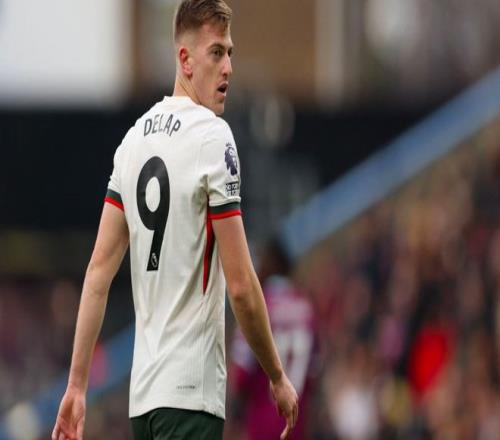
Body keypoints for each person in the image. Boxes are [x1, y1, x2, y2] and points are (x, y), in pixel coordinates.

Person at [51, 1, 298, 439]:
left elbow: (97, 275)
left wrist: (76, 386)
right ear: (185, 60)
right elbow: (241, 285)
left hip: (144, 402)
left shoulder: (132, 143)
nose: (228, 68)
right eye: (216, 53)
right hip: (190, 397)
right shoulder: (213, 136)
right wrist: (277, 376)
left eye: (230, 53)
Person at [228, 241, 318, 440]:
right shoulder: (306, 307)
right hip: (297, 425)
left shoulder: (258, 308)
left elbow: (241, 376)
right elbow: (313, 373)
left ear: (271, 265)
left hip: (263, 424)